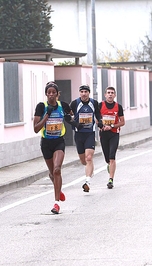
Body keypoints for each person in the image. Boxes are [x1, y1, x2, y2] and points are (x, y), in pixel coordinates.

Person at [33, 81, 77, 214]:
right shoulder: (41, 107)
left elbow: (72, 115)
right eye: (49, 93)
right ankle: (59, 189)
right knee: (52, 173)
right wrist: (47, 115)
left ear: (58, 94)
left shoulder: (62, 105)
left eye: (54, 92)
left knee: (57, 170)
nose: (51, 95)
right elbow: (35, 129)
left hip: (59, 141)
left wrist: (70, 117)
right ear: (46, 94)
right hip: (46, 143)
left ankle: (56, 203)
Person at [69, 84, 102, 193]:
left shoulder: (94, 103)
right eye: (82, 92)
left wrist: (100, 122)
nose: (84, 94)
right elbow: (67, 116)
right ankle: (90, 168)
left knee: (88, 158)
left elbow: (98, 114)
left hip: (90, 133)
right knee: (84, 160)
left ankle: (87, 182)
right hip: (79, 135)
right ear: (80, 93)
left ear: (89, 93)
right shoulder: (75, 103)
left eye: (86, 92)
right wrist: (75, 123)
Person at [99, 86, 125, 189]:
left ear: (114, 95)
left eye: (112, 93)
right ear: (105, 95)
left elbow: (122, 122)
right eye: (108, 93)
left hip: (114, 134)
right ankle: (109, 164)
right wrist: (102, 125)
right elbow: (97, 118)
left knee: (112, 156)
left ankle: (111, 180)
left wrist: (112, 126)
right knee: (107, 158)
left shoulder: (118, 107)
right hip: (103, 134)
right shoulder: (100, 105)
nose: (110, 94)